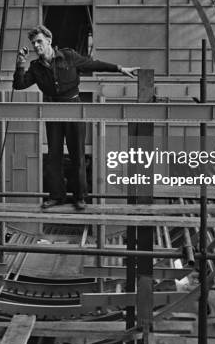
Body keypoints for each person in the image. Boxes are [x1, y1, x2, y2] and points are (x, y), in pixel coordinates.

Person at [13, 24, 137, 210]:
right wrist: (20, 62)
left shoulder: (69, 56)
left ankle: (80, 197)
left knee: (77, 155)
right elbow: (19, 84)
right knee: (54, 155)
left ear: (49, 40)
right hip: (52, 112)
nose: (36, 46)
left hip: (74, 109)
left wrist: (119, 68)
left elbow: (93, 64)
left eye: (39, 41)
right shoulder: (35, 67)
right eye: (33, 43)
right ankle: (56, 196)